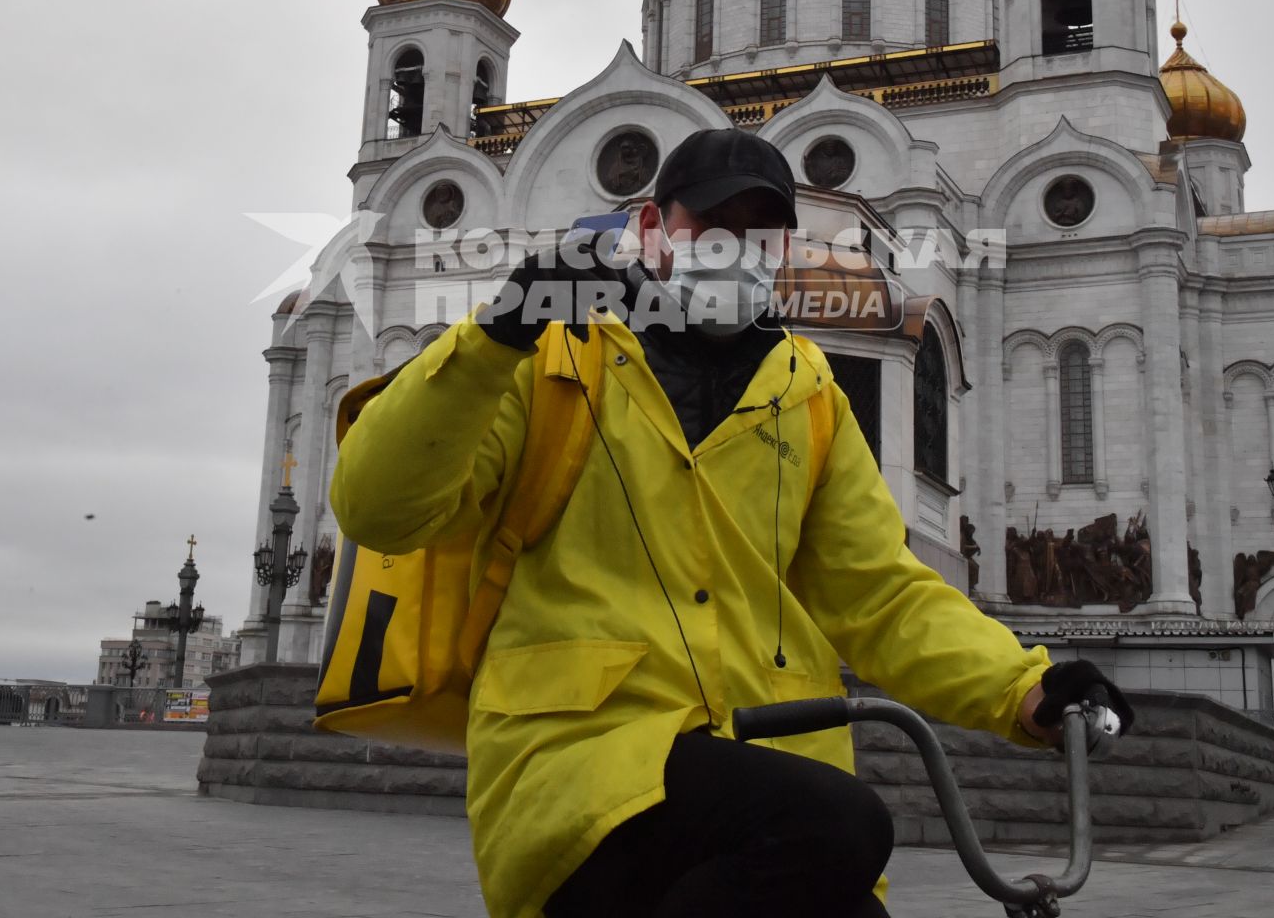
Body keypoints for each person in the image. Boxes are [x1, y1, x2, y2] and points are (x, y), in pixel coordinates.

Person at [331, 128, 1133, 918]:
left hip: (770, 763)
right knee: (840, 824)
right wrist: (494, 335)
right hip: (585, 764)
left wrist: (1022, 686)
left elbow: (881, 594)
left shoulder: (809, 391)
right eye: (712, 228)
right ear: (650, 231)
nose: (737, 251)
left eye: (762, 233)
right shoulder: (551, 357)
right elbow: (378, 509)